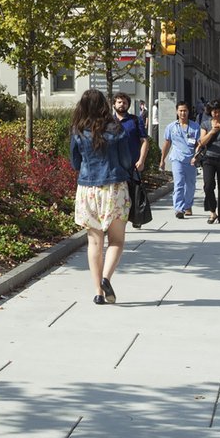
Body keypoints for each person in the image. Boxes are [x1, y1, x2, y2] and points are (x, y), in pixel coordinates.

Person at [69, 89, 133, 305]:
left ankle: (98, 291)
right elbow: (126, 160)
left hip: (88, 190)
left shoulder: (78, 131)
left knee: (94, 242)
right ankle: (106, 278)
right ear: (105, 105)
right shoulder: (116, 129)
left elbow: (75, 163)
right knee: (116, 241)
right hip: (114, 188)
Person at [194, 100, 220, 223]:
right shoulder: (205, 124)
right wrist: (212, 131)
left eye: (219, 112)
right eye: (214, 112)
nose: (216, 114)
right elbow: (202, 142)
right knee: (208, 185)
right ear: (210, 112)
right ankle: (212, 211)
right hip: (208, 159)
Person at [159, 102, 200, 218]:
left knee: (190, 185)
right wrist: (162, 160)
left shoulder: (195, 126)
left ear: (188, 112)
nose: (183, 113)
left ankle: (188, 205)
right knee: (179, 184)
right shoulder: (171, 127)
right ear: (177, 112)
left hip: (191, 159)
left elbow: (198, 144)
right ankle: (179, 208)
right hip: (177, 159)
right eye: (180, 110)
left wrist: (196, 156)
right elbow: (167, 144)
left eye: (185, 110)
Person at [112, 91, 149, 176]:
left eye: (124, 102)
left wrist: (141, 161)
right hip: (113, 168)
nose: (122, 104)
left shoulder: (136, 120)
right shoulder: (108, 121)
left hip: (133, 167)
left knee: (132, 189)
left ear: (128, 105)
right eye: (119, 102)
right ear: (114, 104)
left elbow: (144, 141)